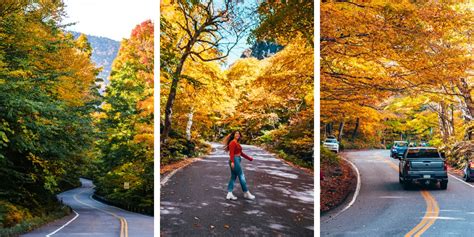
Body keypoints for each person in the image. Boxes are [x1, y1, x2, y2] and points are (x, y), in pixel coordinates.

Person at [223, 130, 255, 200]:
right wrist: (232, 162)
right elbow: (231, 153)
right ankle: (246, 192)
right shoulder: (232, 143)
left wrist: (249, 158)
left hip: (236, 160)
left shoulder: (237, 143)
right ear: (233, 135)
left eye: (238, 134)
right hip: (235, 160)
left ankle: (229, 193)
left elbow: (241, 153)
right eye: (236, 133)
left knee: (233, 177)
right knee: (241, 176)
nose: (237, 135)